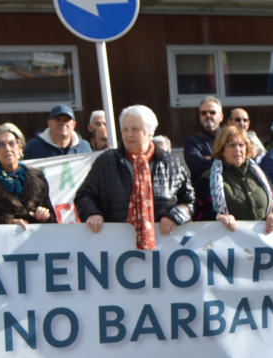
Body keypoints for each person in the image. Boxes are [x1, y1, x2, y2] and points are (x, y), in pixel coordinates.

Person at [75, 105, 194, 249]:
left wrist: (174, 216)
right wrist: (93, 213)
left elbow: (189, 201)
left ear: (149, 133)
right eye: (125, 129)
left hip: (164, 250)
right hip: (114, 248)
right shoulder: (106, 162)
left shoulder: (172, 165)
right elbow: (84, 195)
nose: (128, 135)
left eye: (135, 130)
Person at [0, 123, 52, 227]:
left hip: (35, 240)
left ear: (20, 148)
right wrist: (8, 223)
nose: (7, 149)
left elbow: (53, 221)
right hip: (1, 241)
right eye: (1, 144)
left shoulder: (38, 177)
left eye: (12, 143)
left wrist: (46, 217)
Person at [201, 125, 273, 234]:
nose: (237, 149)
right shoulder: (208, 179)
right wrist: (218, 217)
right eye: (232, 145)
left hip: (262, 242)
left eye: (241, 145)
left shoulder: (259, 175)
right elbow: (199, 212)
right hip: (227, 245)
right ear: (222, 149)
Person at [23, 104, 92, 160]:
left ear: (74, 125)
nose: (62, 123)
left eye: (66, 120)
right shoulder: (33, 146)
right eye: (58, 119)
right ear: (49, 123)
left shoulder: (84, 147)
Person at [183, 96, 224, 184]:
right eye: (203, 113)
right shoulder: (191, 142)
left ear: (221, 116)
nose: (208, 115)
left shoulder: (229, 139)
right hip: (204, 191)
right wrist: (222, 160)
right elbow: (197, 167)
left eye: (212, 112)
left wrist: (210, 158)